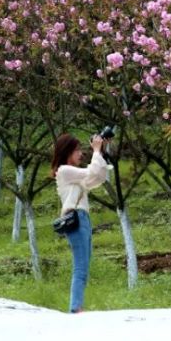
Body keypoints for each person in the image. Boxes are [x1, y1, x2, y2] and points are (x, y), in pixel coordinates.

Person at [51, 132, 109, 313]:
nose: (80, 154)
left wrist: (100, 152)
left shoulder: (74, 175)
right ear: (67, 151)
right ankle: (75, 308)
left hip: (83, 219)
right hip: (75, 220)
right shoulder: (65, 171)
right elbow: (91, 171)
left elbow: (98, 177)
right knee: (80, 267)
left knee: (83, 266)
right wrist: (96, 150)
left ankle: (77, 306)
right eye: (77, 150)